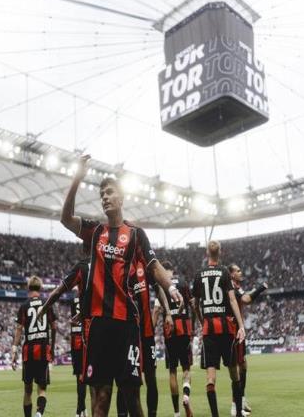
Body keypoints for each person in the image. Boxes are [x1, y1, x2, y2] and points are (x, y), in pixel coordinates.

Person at [61, 154, 183, 417]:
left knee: (132, 398)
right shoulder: (96, 232)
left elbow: (154, 265)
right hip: (99, 326)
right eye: (101, 194)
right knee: (101, 398)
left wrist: (171, 287)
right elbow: (66, 219)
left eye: (109, 193)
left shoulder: (136, 234)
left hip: (126, 325)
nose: (104, 197)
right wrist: (77, 179)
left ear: (121, 198)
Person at [192, 241, 246, 417]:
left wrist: (202, 320)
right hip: (226, 329)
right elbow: (232, 299)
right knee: (234, 374)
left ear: (207, 252)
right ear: (220, 252)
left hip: (209, 330)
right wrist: (241, 325)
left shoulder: (199, 275)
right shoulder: (224, 272)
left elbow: (195, 303)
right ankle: (238, 412)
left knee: (210, 378)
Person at [117, 259, 173, 417]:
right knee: (125, 381)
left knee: (151, 379)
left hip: (146, 334)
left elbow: (158, 289)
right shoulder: (119, 266)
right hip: (127, 336)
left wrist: (168, 313)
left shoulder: (144, 266)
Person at [39, 258, 91, 417]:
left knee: (79, 376)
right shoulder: (88, 292)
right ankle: (82, 409)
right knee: (91, 376)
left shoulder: (74, 299)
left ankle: (80, 409)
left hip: (76, 338)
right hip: (88, 333)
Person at [153, 261, 194, 417]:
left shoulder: (162, 286)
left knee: (172, 371)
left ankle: (176, 413)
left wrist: (150, 332)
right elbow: (193, 304)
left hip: (169, 331)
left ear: (163, 270)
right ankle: (186, 394)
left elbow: (157, 310)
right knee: (186, 368)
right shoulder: (183, 283)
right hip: (184, 329)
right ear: (172, 270)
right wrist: (193, 324)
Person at [12, 276, 57, 417]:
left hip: (29, 351)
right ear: (41, 288)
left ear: (28, 287)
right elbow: (54, 327)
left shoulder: (24, 306)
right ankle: (39, 413)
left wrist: (14, 350)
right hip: (43, 349)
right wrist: (52, 347)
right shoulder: (47, 304)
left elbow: (19, 328)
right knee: (42, 389)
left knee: (27, 390)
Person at [228, 264, 268, 416]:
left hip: (238, 329)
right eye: (238, 270)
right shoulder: (232, 286)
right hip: (233, 330)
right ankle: (235, 405)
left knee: (243, 365)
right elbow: (247, 299)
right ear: (232, 274)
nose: (241, 272)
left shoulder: (236, 286)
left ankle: (242, 399)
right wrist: (261, 288)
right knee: (237, 369)